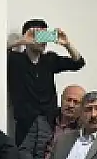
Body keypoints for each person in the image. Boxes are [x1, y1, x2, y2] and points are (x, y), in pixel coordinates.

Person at [7, 18, 85, 147]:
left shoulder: (49, 59)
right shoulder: (15, 60)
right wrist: (21, 41)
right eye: (39, 36)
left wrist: (67, 44)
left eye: (45, 36)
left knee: (48, 155)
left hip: (49, 122)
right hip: (25, 124)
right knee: (23, 157)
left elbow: (78, 63)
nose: (43, 41)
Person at [20, 84, 85, 159]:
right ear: (61, 100)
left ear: (82, 106)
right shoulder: (42, 121)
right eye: (68, 100)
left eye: (76, 102)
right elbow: (24, 150)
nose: (71, 105)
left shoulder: (83, 129)